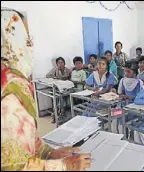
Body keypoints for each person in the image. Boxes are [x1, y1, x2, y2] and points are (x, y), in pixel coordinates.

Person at [1, 9, 90, 171]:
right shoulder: (7, 90)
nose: (31, 45)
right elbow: (13, 166)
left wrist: (47, 153)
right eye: (26, 39)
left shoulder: (14, 80)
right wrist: (63, 166)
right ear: (11, 40)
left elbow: (24, 140)